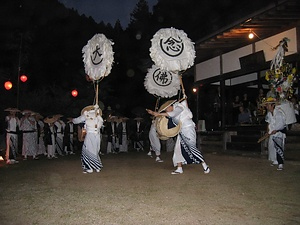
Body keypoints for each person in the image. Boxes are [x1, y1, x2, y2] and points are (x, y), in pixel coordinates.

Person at [146, 99, 210, 175]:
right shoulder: (175, 112)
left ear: (170, 106)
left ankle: (205, 166)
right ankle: (179, 168)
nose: (167, 110)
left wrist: (158, 113)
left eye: (166, 109)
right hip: (182, 130)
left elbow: (172, 114)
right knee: (178, 149)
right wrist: (157, 114)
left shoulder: (179, 107)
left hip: (188, 129)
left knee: (192, 148)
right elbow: (173, 121)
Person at [72, 104, 104, 174]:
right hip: (97, 135)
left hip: (90, 135)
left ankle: (89, 168)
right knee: (95, 150)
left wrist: (73, 120)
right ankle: (97, 167)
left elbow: (76, 121)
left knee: (86, 150)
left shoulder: (86, 115)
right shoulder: (98, 115)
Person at [263, 97, 286, 170]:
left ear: (272, 105)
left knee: (278, 147)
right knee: (272, 147)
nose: (267, 106)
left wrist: (276, 129)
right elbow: (269, 123)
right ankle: (275, 160)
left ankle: (280, 163)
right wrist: (268, 131)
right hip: (272, 133)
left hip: (278, 133)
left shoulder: (279, 113)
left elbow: (281, 124)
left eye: (268, 105)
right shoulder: (269, 114)